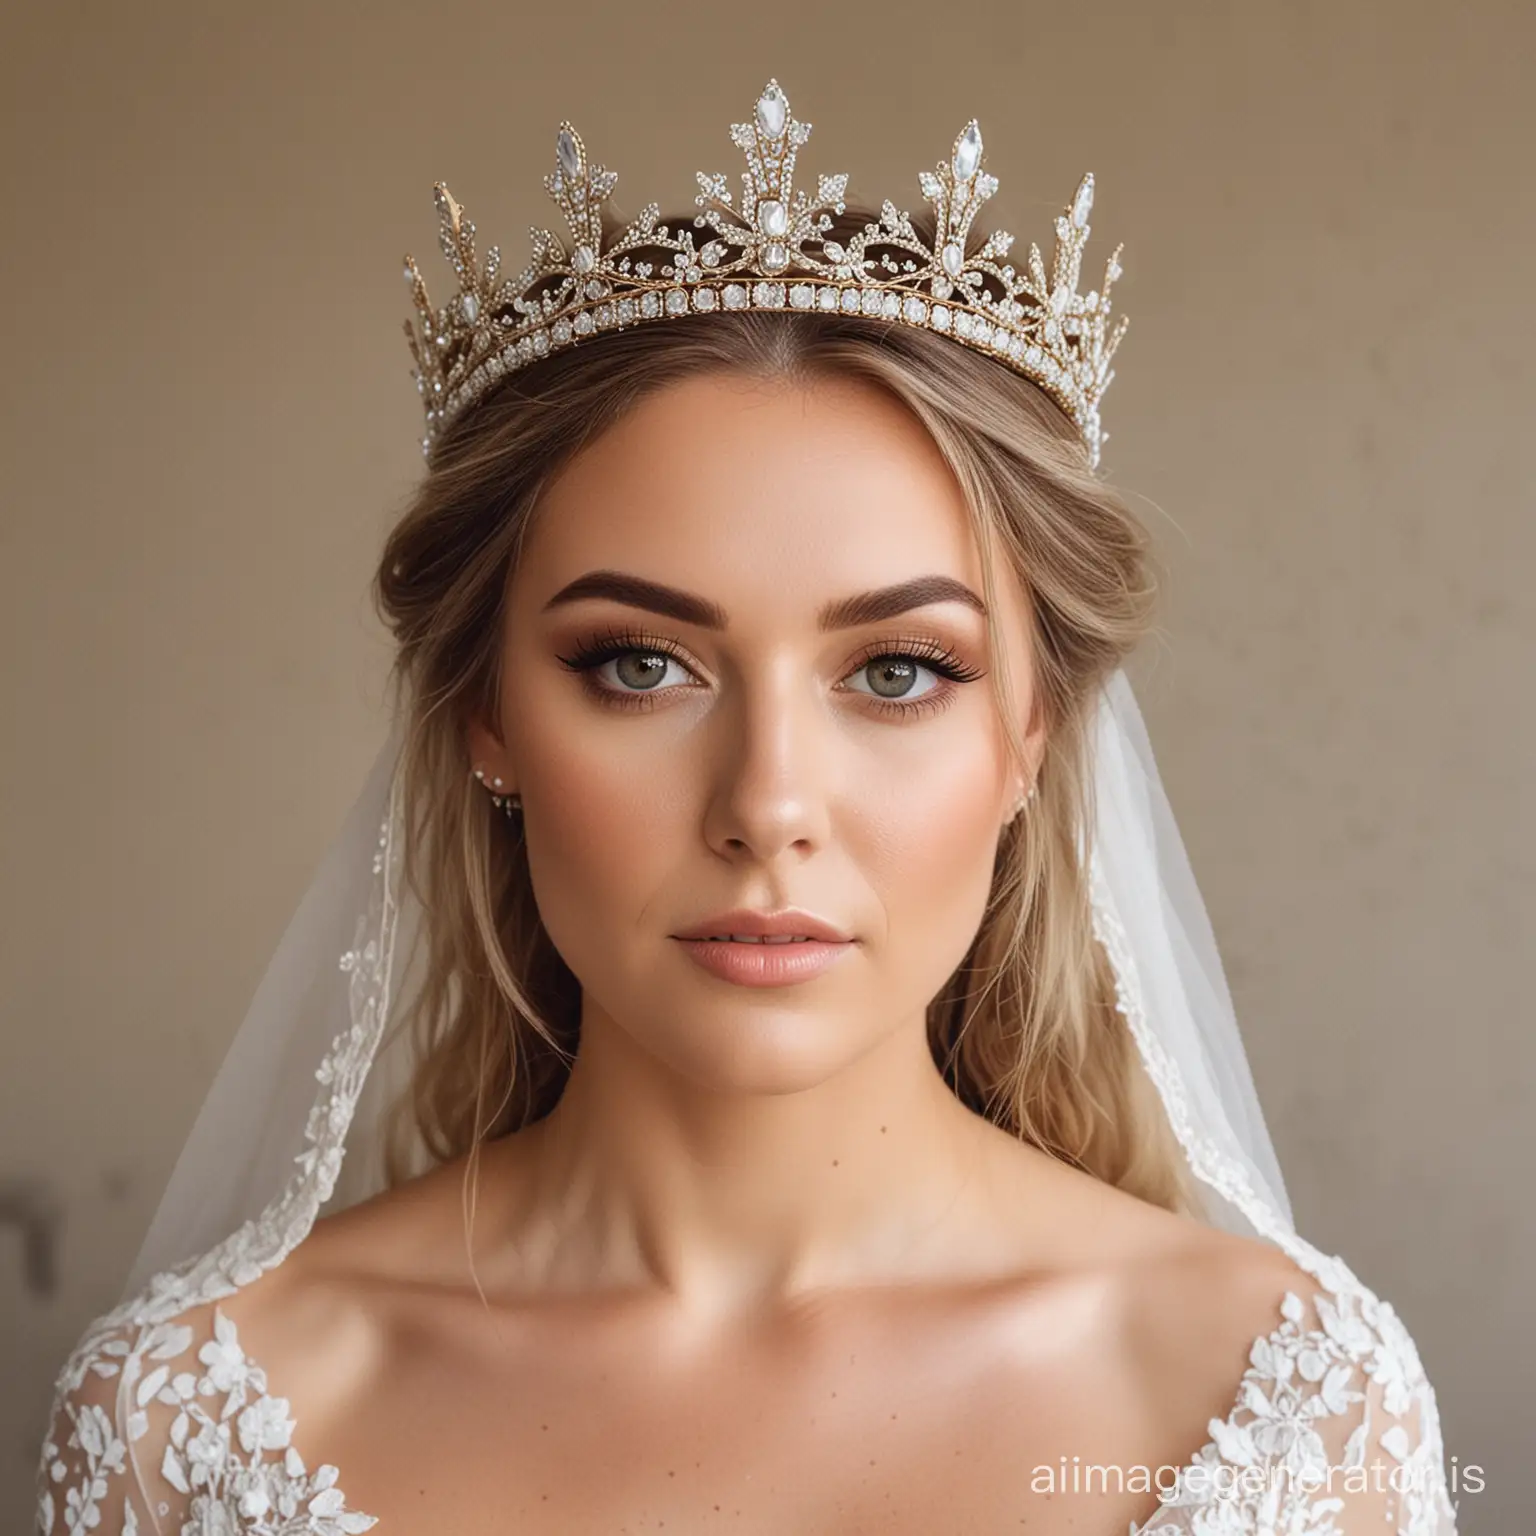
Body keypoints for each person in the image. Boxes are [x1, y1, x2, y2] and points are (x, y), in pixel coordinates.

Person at [34, 82, 1458, 1535]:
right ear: (488, 716)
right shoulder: (188, 1423)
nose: (768, 806)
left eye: (897, 672)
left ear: (1032, 734)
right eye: (639, 666)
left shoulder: (1284, 1417)